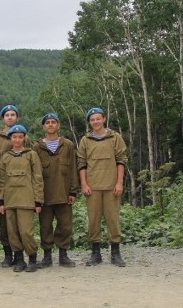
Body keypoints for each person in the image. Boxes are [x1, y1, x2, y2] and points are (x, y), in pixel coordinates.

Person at [77, 107, 128, 267]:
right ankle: (95, 253)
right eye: (92, 120)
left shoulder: (115, 137)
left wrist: (119, 182)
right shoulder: (85, 140)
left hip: (112, 185)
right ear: (89, 122)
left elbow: (121, 160)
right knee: (93, 220)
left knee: (113, 219)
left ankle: (115, 253)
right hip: (93, 186)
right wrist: (84, 184)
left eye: (98, 118)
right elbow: (82, 164)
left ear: (104, 119)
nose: (95, 122)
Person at [32, 113, 79, 268]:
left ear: (58, 125)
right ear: (43, 127)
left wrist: (73, 191)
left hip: (64, 193)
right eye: (47, 122)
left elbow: (73, 169)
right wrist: (36, 196)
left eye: (53, 122)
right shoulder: (37, 147)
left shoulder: (68, 145)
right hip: (44, 194)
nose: (50, 125)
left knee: (65, 225)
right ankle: (47, 256)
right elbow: (34, 173)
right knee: (45, 226)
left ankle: (63, 255)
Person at [0, 124, 43, 272]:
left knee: (26, 232)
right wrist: (1, 201)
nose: (17, 139)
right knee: (13, 232)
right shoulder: (6, 157)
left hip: (26, 200)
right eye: (14, 137)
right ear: (10, 138)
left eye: (20, 137)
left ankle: (32, 259)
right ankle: (19, 260)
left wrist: (38, 200)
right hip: (10, 200)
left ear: (24, 138)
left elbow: (37, 178)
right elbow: (2, 181)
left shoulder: (31, 155)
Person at [0, 105, 31, 267]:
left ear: (17, 117)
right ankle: (8, 255)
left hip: (22, 186)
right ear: (3, 118)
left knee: (22, 225)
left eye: (13, 114)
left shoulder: (25, 138)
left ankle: (21, 256)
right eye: (7, 115)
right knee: (6, 224)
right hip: (3, 185)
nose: (10, 117)